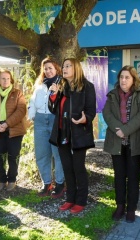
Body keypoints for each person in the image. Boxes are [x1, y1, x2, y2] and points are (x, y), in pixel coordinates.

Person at [48, 58, 96, 215]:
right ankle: (70, 198)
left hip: (78, 134)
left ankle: (81, 200)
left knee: (78, 167)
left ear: (76, 68)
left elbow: (91, 111)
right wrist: (53, 95)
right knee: (67, 167)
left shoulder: (87, 87)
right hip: (62, 133)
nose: (65, 68)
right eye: (64, 66)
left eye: (68, 66)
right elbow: (54, 110)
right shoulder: (61, 87)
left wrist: (85, 119)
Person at [102, 65, 140, 223]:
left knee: (133, 177)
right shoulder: (112, 95)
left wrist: (125, 130)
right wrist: (118, 130)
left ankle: (131, 209)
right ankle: (120, 205)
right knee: (119, 176)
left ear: (133, 79)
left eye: (127, 77)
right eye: (121, 77)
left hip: (134, 142)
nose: (123, 80)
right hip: (117, 142)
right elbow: (106, 113)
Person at [0, 69, 27, 191]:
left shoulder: (18, 93)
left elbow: (21, 110)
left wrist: (7, 123)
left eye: (8, 78)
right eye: (3, 78)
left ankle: (12, 180)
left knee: (13, 156)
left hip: (14, 129)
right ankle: (1, 180)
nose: (6, 81)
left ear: (11, 80)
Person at [28, 57, 65, 198]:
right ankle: (47, 183)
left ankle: (60, 183)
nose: (48, 71)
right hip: (40, 121)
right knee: (42, 154)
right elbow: (32, 102)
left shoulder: (62, 84)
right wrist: (32, 115)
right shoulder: (39, 86)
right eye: (46, 68)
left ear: (56, 69)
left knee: (58, 154)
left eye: (51, 68)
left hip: (55, 120)